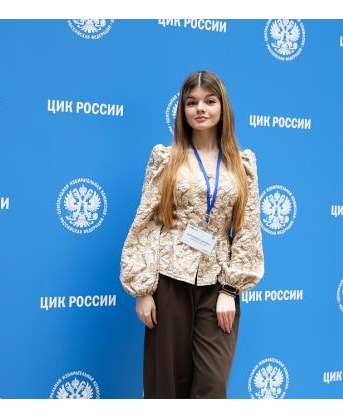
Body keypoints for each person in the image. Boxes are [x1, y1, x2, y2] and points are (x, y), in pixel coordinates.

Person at [119, 70, 264, 399]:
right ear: (182, 109)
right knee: (167, 385)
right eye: (192, 102)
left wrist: (230, 290)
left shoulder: (243, 165)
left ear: (223, 107)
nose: (200, 109)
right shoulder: (166, 159)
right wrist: (143, 290)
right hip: (168, 279)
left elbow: (248, 229)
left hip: (217, 283)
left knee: (213, 383)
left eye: (209, 101)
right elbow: (146, 222)